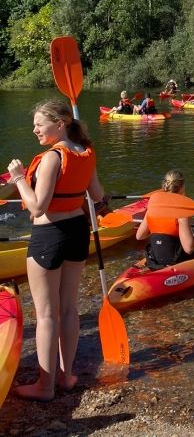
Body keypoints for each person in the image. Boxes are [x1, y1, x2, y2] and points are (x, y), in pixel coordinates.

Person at [6, 100, 105, 401]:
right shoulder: (86, 152)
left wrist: (20, 177)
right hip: (77, 233)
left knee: (47, 315)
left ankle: (45, 386)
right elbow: (97, 195)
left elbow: (37, 206)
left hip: (49, 235)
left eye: (39, 124)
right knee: (69, 308)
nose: (34, 129)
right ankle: (66, 376)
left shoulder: (52, 157)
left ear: (60, 123)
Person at [136, 170, 194, 269]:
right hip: (177, 260)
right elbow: (189, 248)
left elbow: (139, 235)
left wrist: (160, 231)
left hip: (156, 259)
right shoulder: (181, 209)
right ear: (182, 187)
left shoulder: (153, 205)